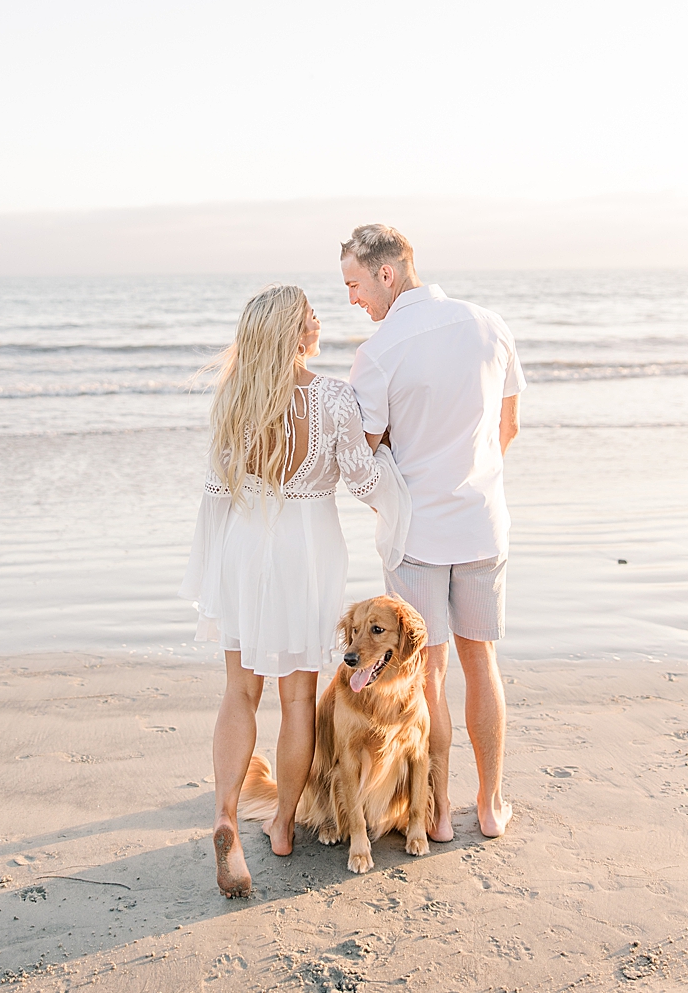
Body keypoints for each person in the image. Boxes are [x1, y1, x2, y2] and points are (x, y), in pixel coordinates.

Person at [182, 283, 408, 898]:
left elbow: (214, 492)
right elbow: (362, 482)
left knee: (238, 690)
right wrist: (385, 455)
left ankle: (227, 810)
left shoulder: (235, 398)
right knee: (297, 699)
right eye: (310, 315)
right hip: (306, 553)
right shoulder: (333, 397)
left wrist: (213, 567)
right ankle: (281, 824)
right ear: (294, 332)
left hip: (245, 545)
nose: (318, 321)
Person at [339, 223, 523, 841]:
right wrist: (472, 478)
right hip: (481, 523)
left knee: (431, 675)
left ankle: (439, 814)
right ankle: (492, 804)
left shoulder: (381, 352)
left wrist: (391, 504)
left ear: (386, 274)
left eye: (355, 284)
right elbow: (509, 429)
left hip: (418, 535)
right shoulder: (490, 325)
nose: (353, 299)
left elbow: (363, 456)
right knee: (483, 662)